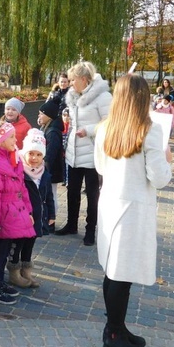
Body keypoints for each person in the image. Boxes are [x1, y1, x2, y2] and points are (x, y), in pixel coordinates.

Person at [94, 74, 172, 347]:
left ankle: (115, 328)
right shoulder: (149, 131)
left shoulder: (105, 128)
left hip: (111, 202)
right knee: (121, 275)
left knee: (114, 271)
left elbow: (100, 166)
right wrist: (166, 158)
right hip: (134, 208)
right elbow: (160, 178)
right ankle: (113, 335)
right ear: (143, 98)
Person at [55, 61, 112, 247]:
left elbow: (109, 123)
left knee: (93, 193)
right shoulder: (73, 95)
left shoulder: (103, 97)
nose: (70, 83)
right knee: (72, 190)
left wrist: (88, 130)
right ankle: (71, 224)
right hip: (74, 150)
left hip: (93, 151)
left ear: (84, 79)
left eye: (73, 79)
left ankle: (90, 230)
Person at [0, 120, 35, 305]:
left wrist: (29, 210)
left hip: (14, 210)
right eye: (11, 136)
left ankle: (0, 282)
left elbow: (22, 188)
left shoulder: (13, 158)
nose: (16, 139)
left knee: (4, 250)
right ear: (0, 140)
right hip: (4, 213)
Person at [12, 130, 55, 288]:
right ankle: (14, 270)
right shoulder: (20, 171)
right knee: (18, 243)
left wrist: (51, 213)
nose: (34, 158)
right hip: (22, 215)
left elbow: (48, 195)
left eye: (38, 154)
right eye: (31, 153)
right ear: (25, 153)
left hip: (37, 215)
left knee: (30, 242)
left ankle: (26, 269)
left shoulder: (44, 172)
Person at [37, 99, 65, 232]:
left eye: (41, 114)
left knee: (51, 195)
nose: (39, 117)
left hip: (50, 170)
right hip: (48, 169)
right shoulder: (47, 128)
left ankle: (51, 221)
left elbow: (50, 154)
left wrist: (44, 168)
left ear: (48, 115)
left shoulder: (53, 132)